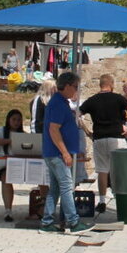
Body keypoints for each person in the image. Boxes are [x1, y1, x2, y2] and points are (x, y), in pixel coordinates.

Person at [40, 71, 90, 234]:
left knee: (55, 188)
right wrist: (65, 153)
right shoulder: (58, 103)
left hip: (55, 152)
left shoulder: (60, 102)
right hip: (57, 154)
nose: (76, 90)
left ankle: (47, 222)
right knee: (67, 186)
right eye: (75, 87)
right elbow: (54, 130)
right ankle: (73, 222)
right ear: (67, 86)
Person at [79, 73, 127, 215]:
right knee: (118, 169)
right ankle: (120, 197)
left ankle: (101, 201)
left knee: (102, 170)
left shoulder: (92, 100)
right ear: (112, 84)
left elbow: (77, 115)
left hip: (99, 137)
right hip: (116, 136)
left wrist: (87, 131)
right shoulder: (118, 98)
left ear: (100, 84)